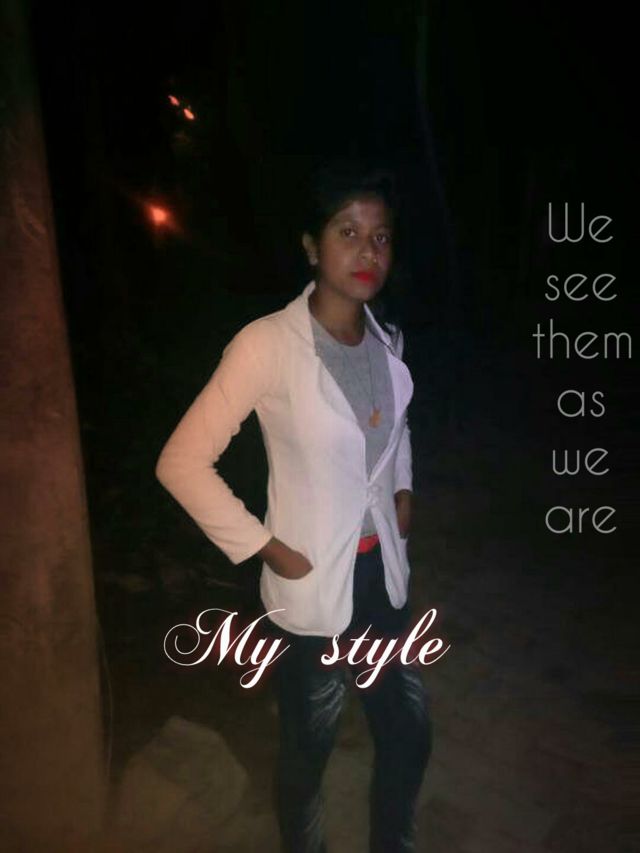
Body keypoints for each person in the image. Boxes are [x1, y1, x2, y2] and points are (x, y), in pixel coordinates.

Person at [155, 160, 432, 852]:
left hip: (382, 578)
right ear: (311, 245)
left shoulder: (387, 340)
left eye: (381, 237)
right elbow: (181, 461)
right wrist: (264, 546)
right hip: (311, 588)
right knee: (309, 751)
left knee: (408, 732)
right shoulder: (266, 346)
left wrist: (402, 490)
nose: (368, 252)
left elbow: (394, 429)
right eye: (348, 232)